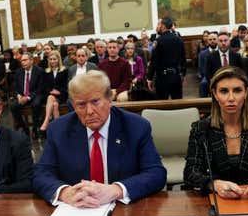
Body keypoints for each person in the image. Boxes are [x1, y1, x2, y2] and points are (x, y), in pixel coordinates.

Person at [34, 70, 166, 207]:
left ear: (110, 99)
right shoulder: (58, 129)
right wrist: (64, 192)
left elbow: (156, 173)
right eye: (81, 105)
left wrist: (117, 190)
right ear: (73, 106)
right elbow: (41, 174)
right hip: (76, 211)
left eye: (95, 101)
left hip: (123, 209)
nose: (89, 111)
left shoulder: (136, 126)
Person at [183, 67, 248, 198]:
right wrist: (213, 184)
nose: (231, 98)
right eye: (224, 91)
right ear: (214, 93)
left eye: (237, 90)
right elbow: (190, 172)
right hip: (216, 199)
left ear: (246, 92)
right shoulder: (201, 129)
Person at [147, 17, 186, 99]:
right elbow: (183, 59)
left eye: (160, 24)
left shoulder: (158, 41)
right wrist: (183, 75)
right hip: (176, 77)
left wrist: (149, 78)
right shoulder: (178, 40)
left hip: (162, 78)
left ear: (163, 26)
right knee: (178, 105)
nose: (159, 26)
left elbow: (154, 61)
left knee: (162, 106)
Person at [10, 53, 44, 137]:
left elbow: (40, 89)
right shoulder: (18, 72)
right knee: (13, 106)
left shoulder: (39, 71)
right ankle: (24, 128)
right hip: (22, 96)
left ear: (31, 61)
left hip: (34, 95)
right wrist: (18, 96)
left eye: (25, 60)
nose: (22, 62)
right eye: (21, 60)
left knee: (36, 104)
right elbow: (15, 88)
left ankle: (35, 128)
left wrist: (28, 97)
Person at [39, 50, 68, 133]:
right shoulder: (46, 71)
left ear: (58, 59)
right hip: (49, 95)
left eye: (54, 59)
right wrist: (51, 91)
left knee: (51, 98)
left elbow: (66, 85)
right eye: (50, 59)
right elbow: (44, 86)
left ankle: (46, 121)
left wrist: (59, 92)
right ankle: (58, 130)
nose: (52, 61)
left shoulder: (64, 70)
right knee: (54, 105)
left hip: (61, 95)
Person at [198, 32, 218, 97]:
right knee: (203, 84)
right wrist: (210, 78)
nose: (212, 41)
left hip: (220, 75)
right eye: (210, 39)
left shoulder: (221, 51)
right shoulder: (202, 53)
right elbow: (201, 68)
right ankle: (203, 104)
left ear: (217, 40)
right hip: (208, 76)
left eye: (214, 39)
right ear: (208, 41)